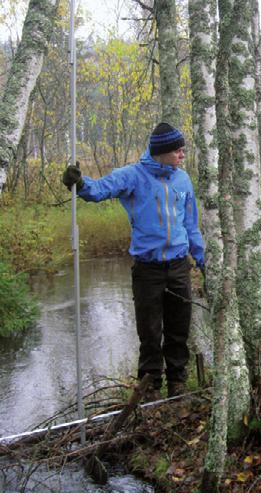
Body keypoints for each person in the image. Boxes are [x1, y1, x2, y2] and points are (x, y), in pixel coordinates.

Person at [62, 122, 205, 399]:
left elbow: (191, 224)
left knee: (178, 331)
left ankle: (177, 385)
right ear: (162, 151)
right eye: (178, 150)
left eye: (182, 150)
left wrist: (202, 260)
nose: (182, 155)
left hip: (178, 266)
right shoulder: (133, 175)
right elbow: (101, 189)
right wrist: (79, 183)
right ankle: (150, 388)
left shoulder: (183, 180)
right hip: (147, 269)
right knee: (150, 332)